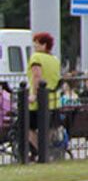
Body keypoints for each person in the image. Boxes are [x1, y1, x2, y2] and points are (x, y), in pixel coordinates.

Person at [27, 30, 61, 158]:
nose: (34, 46)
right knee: (49, 127)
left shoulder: (36, 57)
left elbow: (37, 75)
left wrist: (34, 94)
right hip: (53, 100)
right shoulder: (55, 59)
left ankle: (42, 151)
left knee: (26, 126)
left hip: (38, 101)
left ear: (44, 45)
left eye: (36, 44)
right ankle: (47, 150)